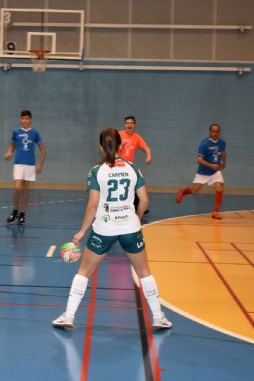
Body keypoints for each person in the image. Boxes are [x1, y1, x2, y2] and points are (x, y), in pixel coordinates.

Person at [52, 128, 172, 330]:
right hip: (130, 228)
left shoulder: (96, 171)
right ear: (121, 145)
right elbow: (144, 200)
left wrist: (82, 231)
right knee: (144, 272)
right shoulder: (133, 168)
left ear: (100, 147)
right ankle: (159, 317)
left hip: (104, 229)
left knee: (84, 272)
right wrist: (136, 218)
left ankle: (69, 316)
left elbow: (92, 205)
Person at [3, 110, 46, 225]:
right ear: (20, 119)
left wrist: (40, 164)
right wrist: (9, 152)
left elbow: (43, 149)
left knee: (26, 190)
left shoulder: (35, 133)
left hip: (30, 164)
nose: (24, 121)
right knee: (17, 187)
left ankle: (22, 214)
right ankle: (15, 211)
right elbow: (12, 145)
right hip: (18, 163)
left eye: (27, 118)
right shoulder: (16, 132)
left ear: (30, 120)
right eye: (23, 118)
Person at [175, 124, 226, 219]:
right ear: (210, 132)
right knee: (194, 190)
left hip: (215, 171)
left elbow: (223, 152)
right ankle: (183, 191)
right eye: (213, 131)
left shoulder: (222, 142)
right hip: (204, 171)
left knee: (220, 188)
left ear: (219, 132)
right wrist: (211, 165)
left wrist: (224, 163)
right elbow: (199, 160)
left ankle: (215, 212)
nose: (215, 133)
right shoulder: (204, 144)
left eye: (217, 131)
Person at [119, 116, 152, 213]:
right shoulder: (119, 135)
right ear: (125, 125)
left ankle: (139, 206)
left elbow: (146, 147)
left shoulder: (137, 137)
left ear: (134, 125)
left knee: (135, 185)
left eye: (131, 123)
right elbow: (111, 147)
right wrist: (120, 146)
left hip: (129, 166)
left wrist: (148, 156)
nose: (129, 125)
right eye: (127, 123)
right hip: (118, 165)